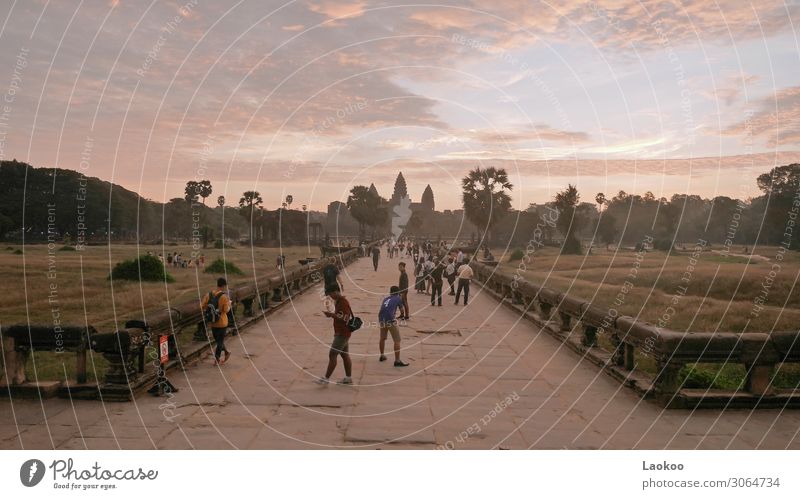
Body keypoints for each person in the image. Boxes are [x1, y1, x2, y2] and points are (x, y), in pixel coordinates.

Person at [316, 284, 354, 385]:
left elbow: (346, 318)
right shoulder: (339, 301)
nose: (331, 296)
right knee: (345, 355)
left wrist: (332, 315)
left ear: (336, 291)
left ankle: (326, 378)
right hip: (342, 332)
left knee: (332, 354)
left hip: (342, 333)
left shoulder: (343, 302)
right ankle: (348, 378)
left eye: (331, 294)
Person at [201, 277, 233, 365]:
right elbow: (226, 310)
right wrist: (229, 304)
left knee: (218, 341)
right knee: (220, 342)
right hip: (222, 322)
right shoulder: (224, 297)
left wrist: (210, 310)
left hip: (213, 322)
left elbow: (202, 306)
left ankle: (226, 353)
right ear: (224, 285)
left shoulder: (209, 294)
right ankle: (217, 359)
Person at [378, 286, 409, 367]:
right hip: (390, 319)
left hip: (381, 318)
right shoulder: (398, 298)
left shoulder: (385, 299)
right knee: (397, 340)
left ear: (390, 292)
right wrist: (402, 316)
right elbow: (402, 310)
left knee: (382, 338)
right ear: (398, 292)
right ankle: (397, 360)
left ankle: (382, 355)